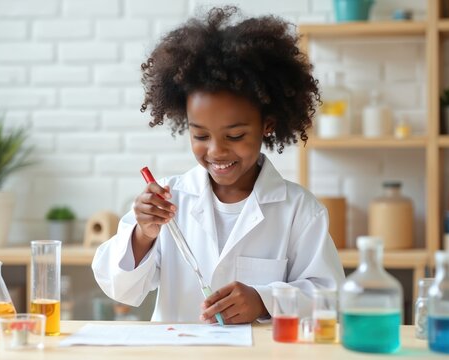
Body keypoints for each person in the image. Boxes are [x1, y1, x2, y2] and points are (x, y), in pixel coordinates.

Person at [92, 6, 344, 324]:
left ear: (267, 124)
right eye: (200, 135)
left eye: (235, 135)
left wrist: (265, 300)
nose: (216, 151)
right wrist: (143, 234)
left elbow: (330, 299)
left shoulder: (300, 210)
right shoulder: (170, 199)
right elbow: (120, 289)